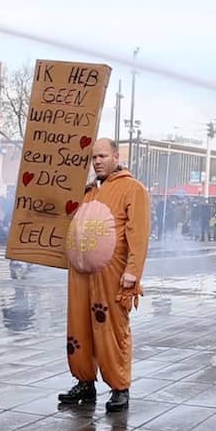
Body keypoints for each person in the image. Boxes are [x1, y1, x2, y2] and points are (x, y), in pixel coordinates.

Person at [59, 138, 151, 413]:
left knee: (111, 329)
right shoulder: (87, 192)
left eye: (101, 156)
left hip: (111, 273)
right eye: (93, 158)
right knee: (79, 328)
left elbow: (139, 234)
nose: (97, 161)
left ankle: (119, 387)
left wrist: (132, 272)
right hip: (80, 273)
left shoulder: (132, 189)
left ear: (115, 156)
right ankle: (84, 382)